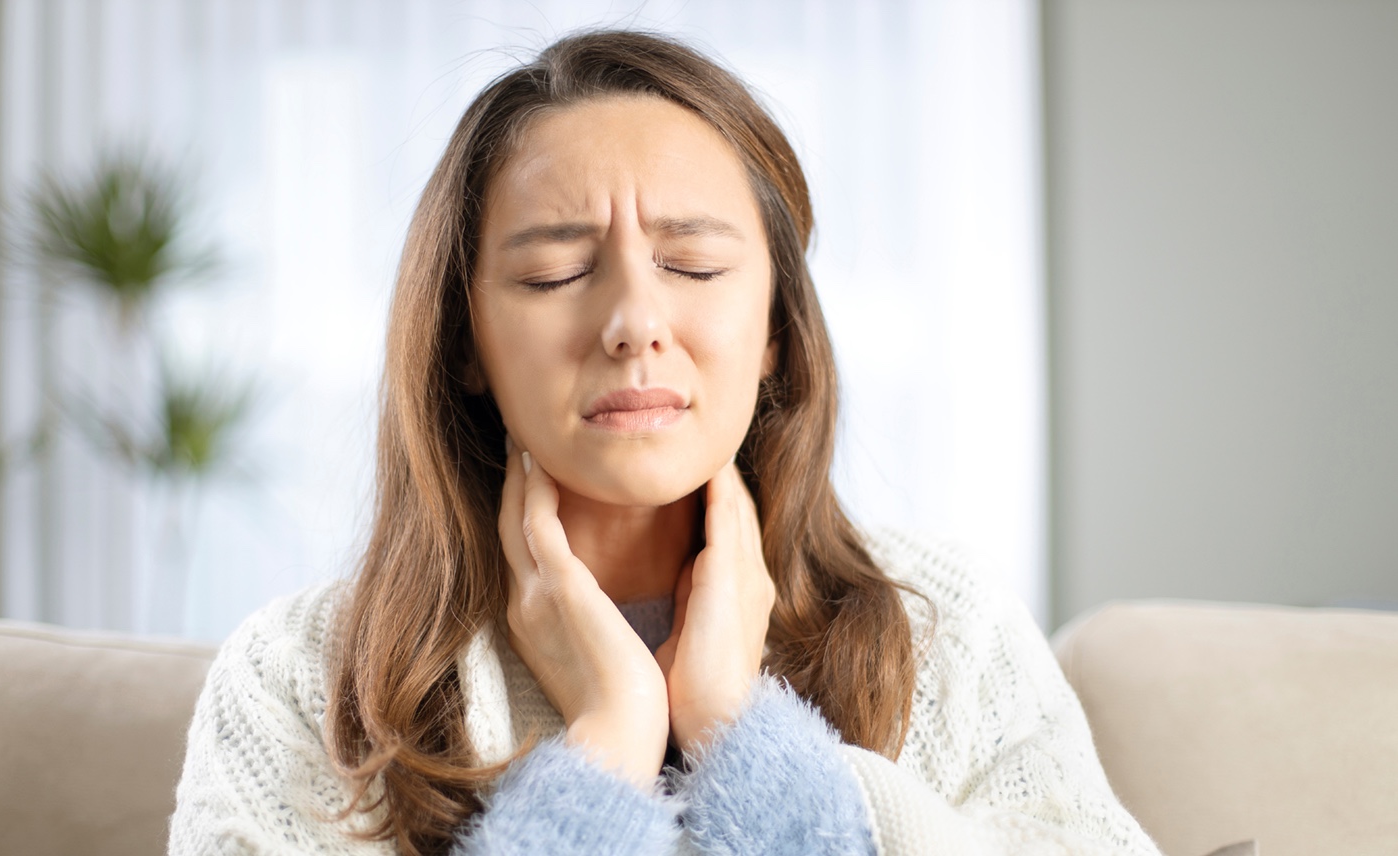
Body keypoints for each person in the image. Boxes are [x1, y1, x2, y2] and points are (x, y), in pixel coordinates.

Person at [168, 29, 1162, 856]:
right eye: (557, 274)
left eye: (692, 264)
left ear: (776, 326)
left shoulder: (945, 626)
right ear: (465, 340)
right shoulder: (303, 680)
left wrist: (744, 735)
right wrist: (605, 745)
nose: (635, 321)